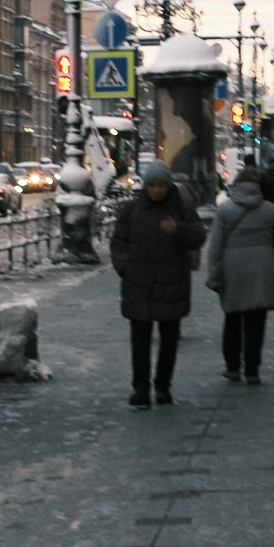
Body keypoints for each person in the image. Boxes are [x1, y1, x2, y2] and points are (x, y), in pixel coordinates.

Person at [110, 155, 203, 407]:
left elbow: (198, 236)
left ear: (168, 186)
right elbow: (119, 242)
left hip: (171, 283)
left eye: (161, 186)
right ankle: (140, 388)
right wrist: (125, 266)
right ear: (146, 186)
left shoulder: (181, 208)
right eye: (152, 186)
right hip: (138, 283)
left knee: (169, 338)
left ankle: (163, 387)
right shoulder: (131, 210)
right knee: (139, 339)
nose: (156, 190)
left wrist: (179, 230)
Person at [202, 158, 274, 385]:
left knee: (233, 318)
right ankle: (253, 369)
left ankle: (232, 367)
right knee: (256, 320)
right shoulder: (269, 210)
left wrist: (214, 274)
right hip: (262, 267)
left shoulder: (225, 210)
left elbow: (215, 246)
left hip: (232, 267)